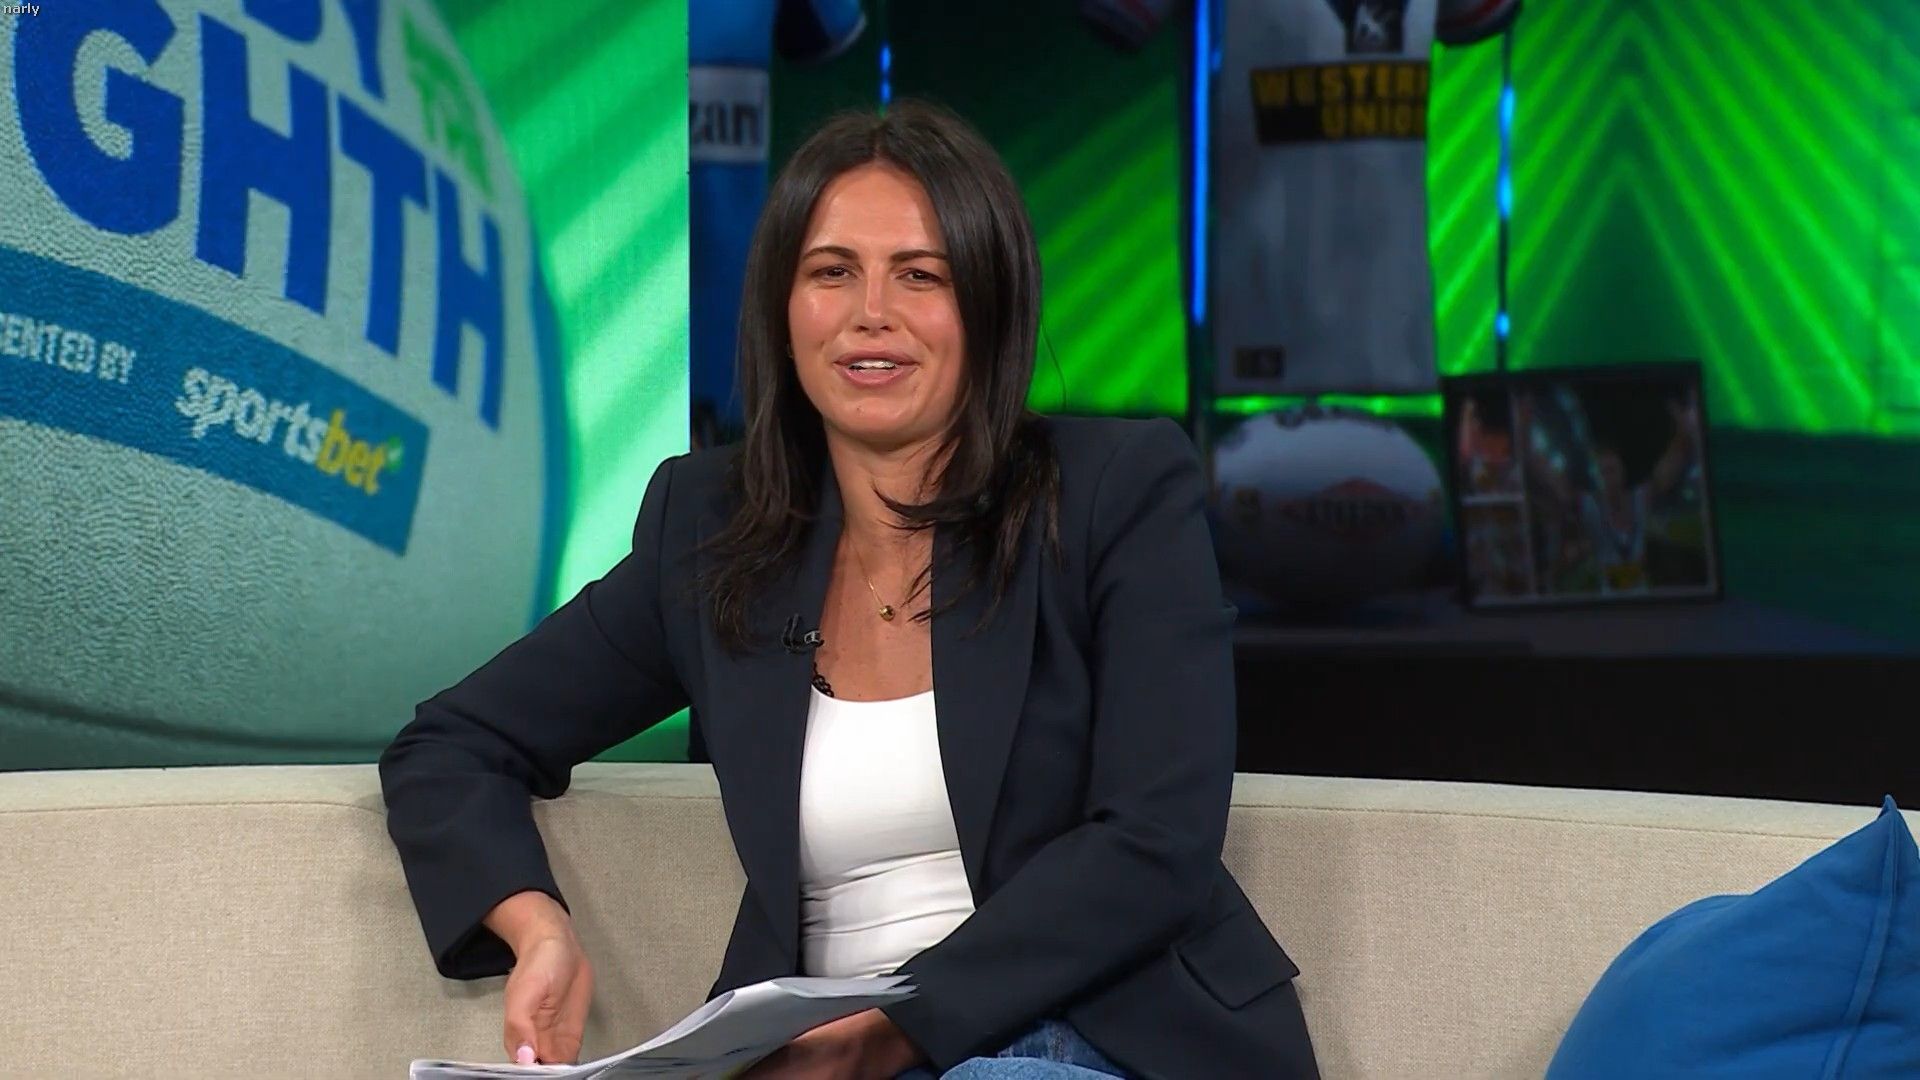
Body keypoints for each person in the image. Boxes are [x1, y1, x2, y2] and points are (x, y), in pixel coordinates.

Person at [379, 100, 1318, 1080]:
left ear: (988, 306)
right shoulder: (709, 534)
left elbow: (1156, 841)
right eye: (832, 272)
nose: (873, 312)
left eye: (921, 275)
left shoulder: (1111, 494)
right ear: (783, 312)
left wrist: (889, 1032)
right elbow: (451, 745)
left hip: (1095, 1036)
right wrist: (538, 929)